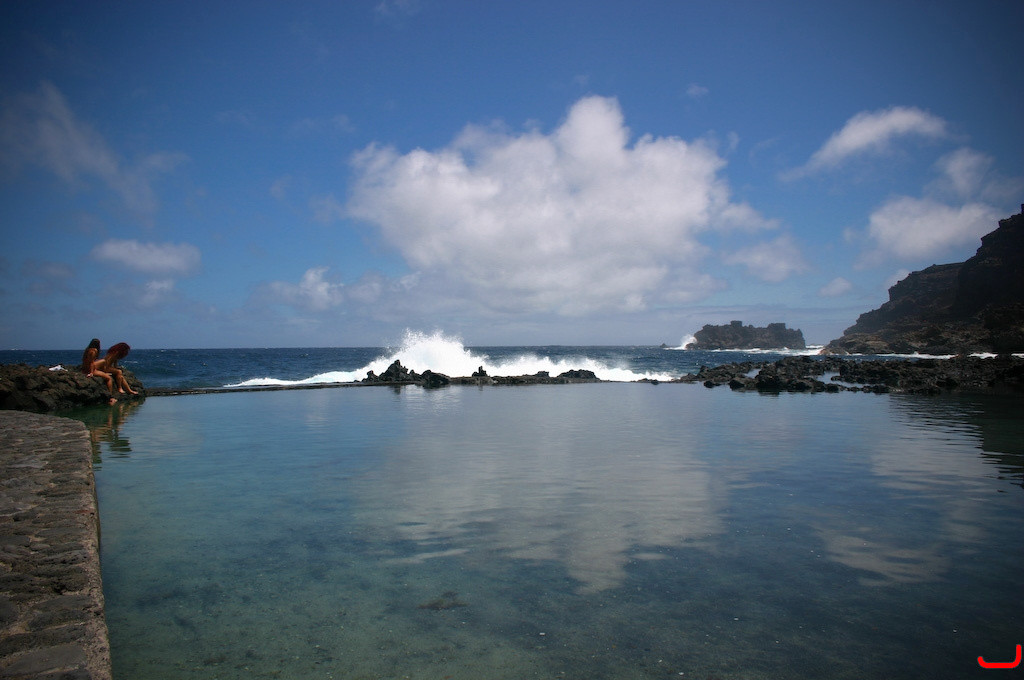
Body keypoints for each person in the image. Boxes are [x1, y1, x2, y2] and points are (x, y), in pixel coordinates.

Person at [82, 338, 117, 405]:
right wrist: (91, 372)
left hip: (84, 368)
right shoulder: (94, 350)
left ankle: (103, 372)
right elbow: (91, 362)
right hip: (90, 369)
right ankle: (110, 398)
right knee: (109, 378)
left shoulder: (87, 350)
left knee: (103, 361)